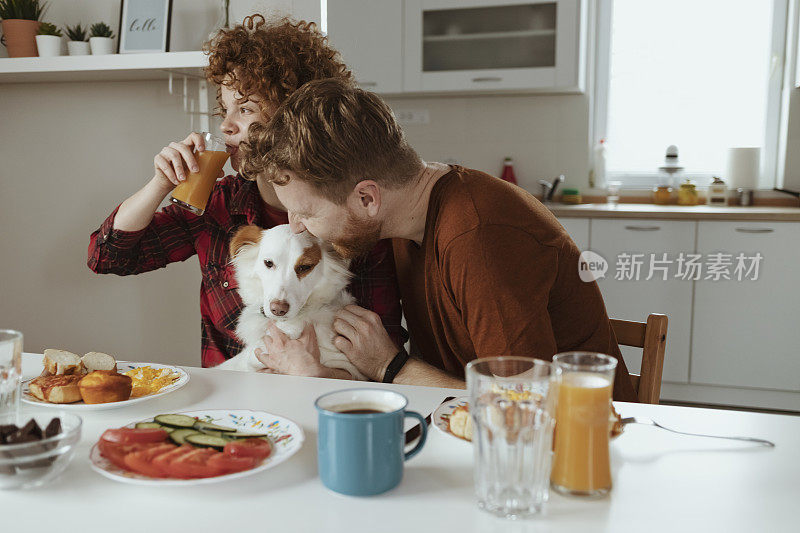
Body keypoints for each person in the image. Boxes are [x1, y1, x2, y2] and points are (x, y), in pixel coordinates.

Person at [238, 78, 637, 401]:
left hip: (576, 450)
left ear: (367, 198)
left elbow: (523, 404)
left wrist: (390, 366)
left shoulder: (480, 238)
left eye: (307, 212)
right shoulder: (406, 219)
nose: (298, 227)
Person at [87, 16, 405, 373]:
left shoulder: (351, 218)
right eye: (225, 110)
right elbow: (108, 257)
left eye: (246, 109)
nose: (225, 126)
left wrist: (313, 374)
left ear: (293, 117)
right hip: (227, 407)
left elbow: (381, 364)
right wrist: (161, 182)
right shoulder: (217, 203)